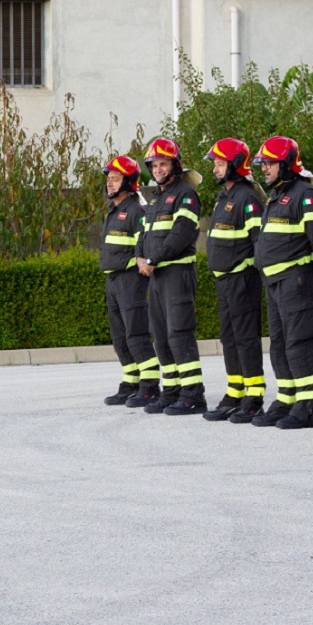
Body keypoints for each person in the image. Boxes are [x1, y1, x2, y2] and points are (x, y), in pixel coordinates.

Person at [252, 136, 313, 429]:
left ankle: (307, 406)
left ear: (285, 164)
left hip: (296, 280)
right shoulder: (277, 195)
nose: (264, 169)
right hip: (274, 281)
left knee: (299, 342)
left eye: (269, 164)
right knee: (279, 343)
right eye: (263, 164)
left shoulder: (306, 195)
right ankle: (286, 397)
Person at [135, 138, 207, 416]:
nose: (158, 169)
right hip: (156, 275)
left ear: (175, 165)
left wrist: (153, 259)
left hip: (177, 272)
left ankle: (193, 395)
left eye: (163, 163)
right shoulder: (155, 200)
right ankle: (173, 391)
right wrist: (141, 257)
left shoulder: (186, 195)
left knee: (179, 333)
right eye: (154, 165)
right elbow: (144, 234)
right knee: (162, 336)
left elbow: (182, 234)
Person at [201, 138, 266, 423]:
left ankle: (254, 395)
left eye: (219, 163)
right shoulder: (224, 198)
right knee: (229, 338)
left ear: (236, 165)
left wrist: (246, 269)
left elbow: (258, 242)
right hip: (225, 281)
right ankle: (235, 391)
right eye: (214, 164)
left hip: (242, 279)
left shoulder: (247, 198)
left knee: (245, 338)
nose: (215, 169)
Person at [99, 155, 160, 409]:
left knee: (136, 334)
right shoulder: (113, 210)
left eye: (115, 179)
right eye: (109, 179)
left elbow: (144, 242)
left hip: (130, 279)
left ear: (129, 182)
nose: (110, 184)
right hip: (113, 279)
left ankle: (149, 385)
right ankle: (130, 381)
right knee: (120, 336)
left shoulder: (135, 210)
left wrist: (141, 261)